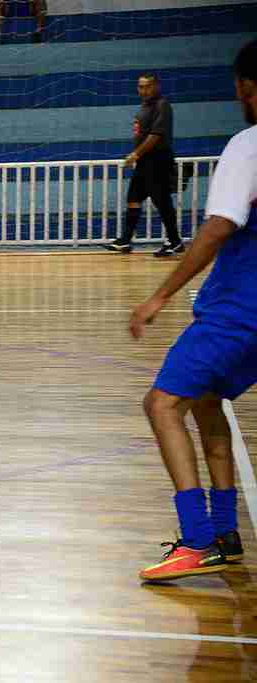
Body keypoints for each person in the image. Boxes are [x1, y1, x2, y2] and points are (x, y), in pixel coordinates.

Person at [129, 39, 257, 582]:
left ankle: (198, 538)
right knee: (207, 403)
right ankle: (226, 534)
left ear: (246, 89)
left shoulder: (248, 145)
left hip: (239, 310)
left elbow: (218, 226)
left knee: (161, 405)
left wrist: (159, 294)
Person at [104, 73, 184, 257]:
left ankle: (175, 241)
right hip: (144, 162)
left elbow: (155, 136)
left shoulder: (162, 105)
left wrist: (135, 153)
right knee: (133, 198)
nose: (143, 90)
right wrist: (139, 157)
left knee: (162, 202)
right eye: (140, 87)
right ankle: (125, 240)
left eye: (147, 86)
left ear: (156, 86)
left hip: (158, 160)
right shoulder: (144, 107)